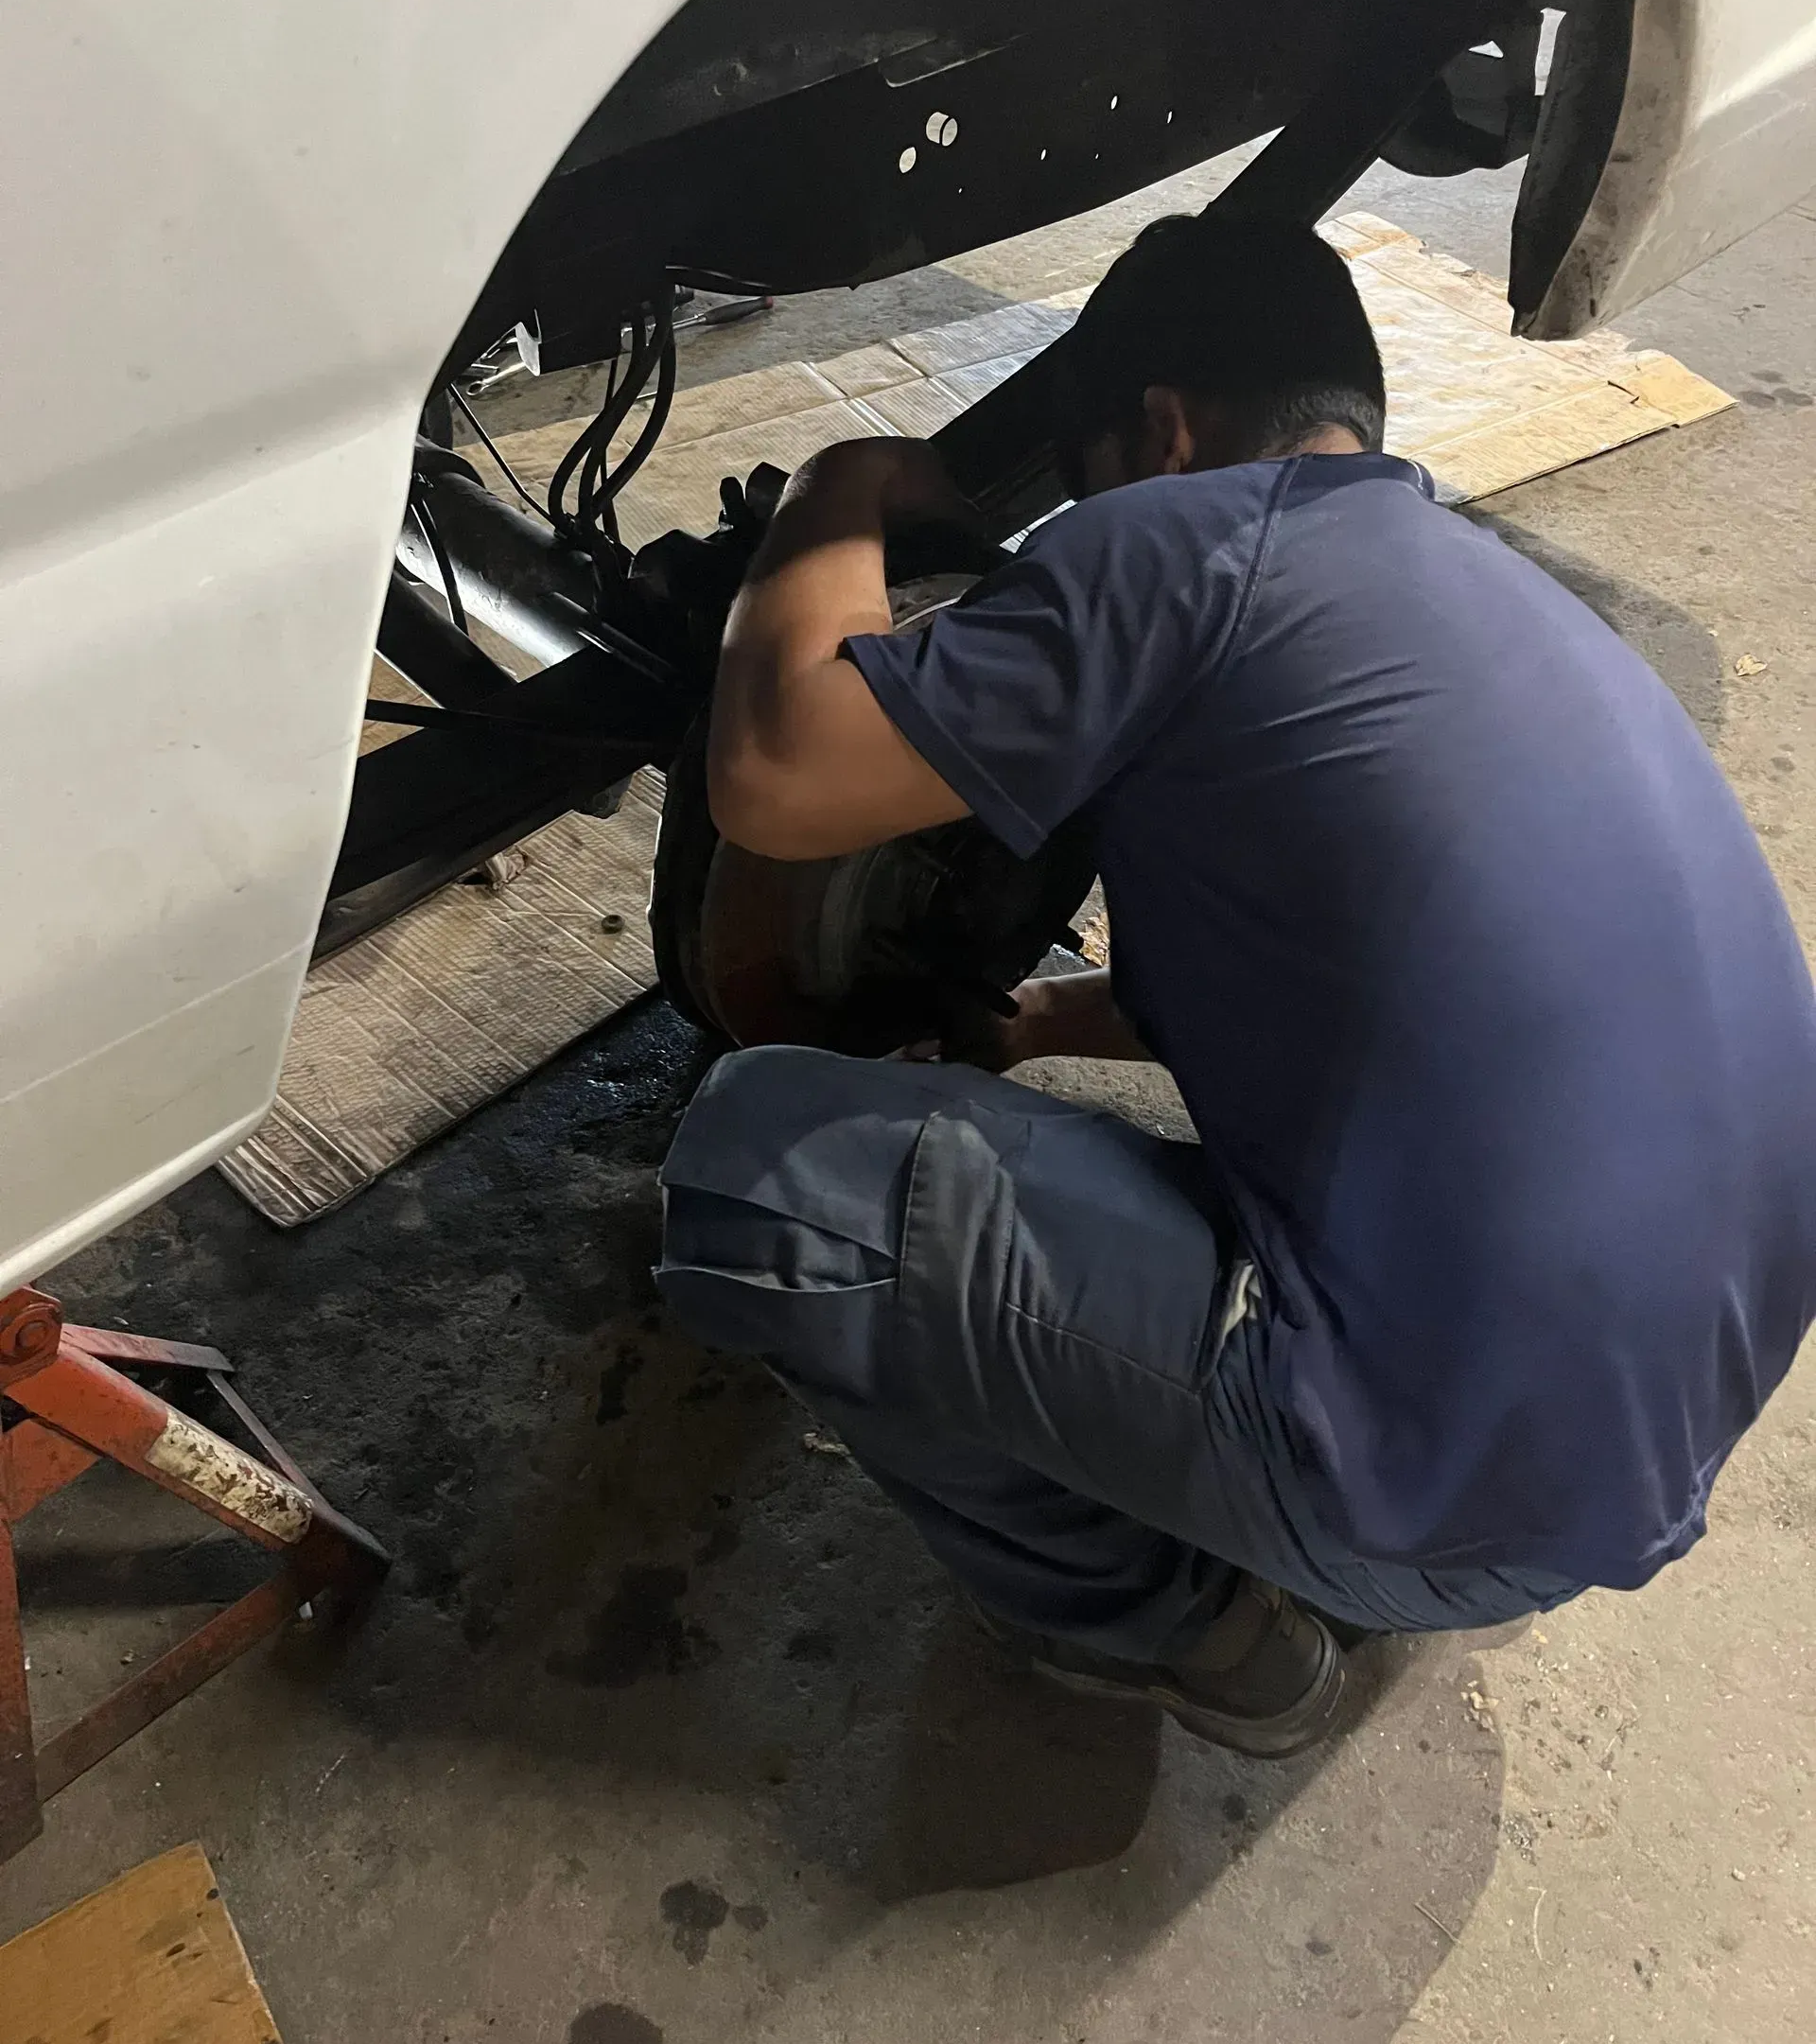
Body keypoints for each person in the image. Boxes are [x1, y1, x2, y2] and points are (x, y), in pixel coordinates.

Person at [654, 214, 1816, 1758]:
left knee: (761, 1164)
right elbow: (1355, 950)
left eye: (1085, 487)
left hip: (1433, 1503)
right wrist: (1052, 1021)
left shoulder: (1191, 539)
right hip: (1651, 1436)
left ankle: (1180, 1626)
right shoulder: (1491, 597)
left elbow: (778, 775)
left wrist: (835, 493)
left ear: (1164, 429)